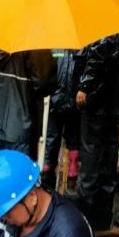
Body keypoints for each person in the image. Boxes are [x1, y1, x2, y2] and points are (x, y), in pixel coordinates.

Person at [75, 29, 119, 230]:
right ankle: (106, 194)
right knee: (110, 146)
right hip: (117, 102)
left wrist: (84, 88)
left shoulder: (106, 32)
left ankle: (87, 198)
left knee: (91, 148)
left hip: (98, 102)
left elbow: (96, 59)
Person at [0, 49, 55, 154]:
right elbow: (43, 84)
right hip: (24, 123)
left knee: (1, 162)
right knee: (22, 163)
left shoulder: (1, 47)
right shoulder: (36, 47)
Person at [43, 49, 82, 185]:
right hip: (56, 97)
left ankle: (72, 167)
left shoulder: (80, 48)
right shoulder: (55, 47)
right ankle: (48, 164)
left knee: (73, 135)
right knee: (52, 135)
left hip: (72, 98)